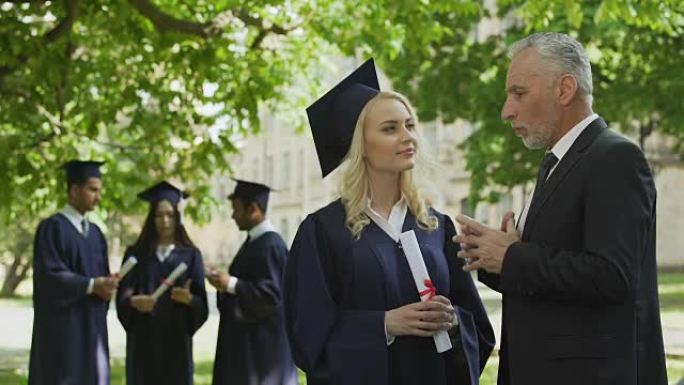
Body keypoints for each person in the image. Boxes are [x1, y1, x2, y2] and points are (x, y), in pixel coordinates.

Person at [454, 32, 667, 385]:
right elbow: (550, 270)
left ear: (565, 89)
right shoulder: (555, 162)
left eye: (518, 93)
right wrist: (491, 256)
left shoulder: (615, 158)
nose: (506, 111)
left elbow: (612, 276)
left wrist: (512, 256)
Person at [284, 59, 494, 385]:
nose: (407, 136)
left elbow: (477, 328)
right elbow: (307, 334)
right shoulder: (323, 231)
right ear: (361, 146)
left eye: (410, 125)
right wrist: (384, 326)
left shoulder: (435, 227)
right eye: (390, 128)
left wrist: (453, 323)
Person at [29, 160, 115, 385]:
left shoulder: (96, 233)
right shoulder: (52, 228)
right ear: (74, 190)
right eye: (92, 189)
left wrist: (106, 287)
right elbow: (49, 276)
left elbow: (101, 279)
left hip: (93, 327)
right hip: (62, 330)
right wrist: (91, 285)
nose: (98, 196)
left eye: (99, 190)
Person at [116, 181, 208, 385]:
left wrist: (189, 300)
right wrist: (133, 302)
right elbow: (122, 300)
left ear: (178, 218)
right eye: (158, 215)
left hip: (177, 344)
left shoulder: (191, 256)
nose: (164, 221)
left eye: (170, 215)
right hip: (143, 343)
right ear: (151, 218)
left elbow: (202, 306)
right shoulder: (136, 255)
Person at [207, 179, 297, 385]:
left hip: (262, 355)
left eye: (237, 210)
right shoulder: (254, 243)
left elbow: (271, 297)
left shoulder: (270, 246)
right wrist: (224, 284)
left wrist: (230, 284)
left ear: (254, 209)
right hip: (248, 349)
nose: (232, 215)